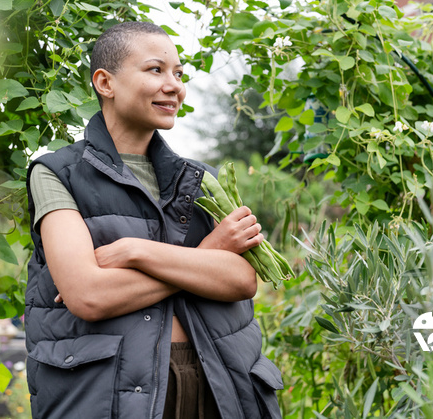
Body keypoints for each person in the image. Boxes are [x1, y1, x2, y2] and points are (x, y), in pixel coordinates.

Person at [24, 21, 283, 419]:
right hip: (112, 392)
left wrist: (134, 251)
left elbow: (241, 280)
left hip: (216, 381)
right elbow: (89, 295)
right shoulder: (57, 173)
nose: (174, 85)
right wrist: (208, 255)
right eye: (155, 70)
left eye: (179, 74)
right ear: (105, 83)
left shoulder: (200, 179)